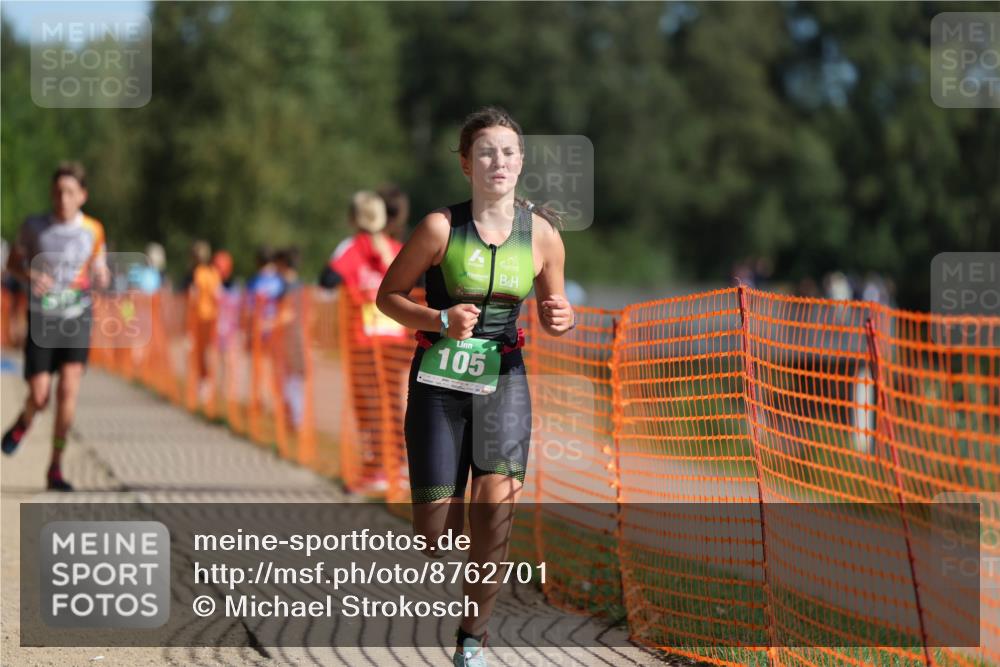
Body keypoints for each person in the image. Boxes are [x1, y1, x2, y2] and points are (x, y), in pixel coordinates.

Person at [376, 107, 575, 667]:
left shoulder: (543, 235)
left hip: (505, 380)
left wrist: (563, 318)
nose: (499, 161)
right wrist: (438, 321)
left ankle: (473, 636)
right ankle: (452, 524)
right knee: (434, 533)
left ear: (521, 162)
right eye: (486, 152)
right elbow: (387, 297)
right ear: (466, 164)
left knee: (496, 510)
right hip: (439, 381)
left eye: (509, 152)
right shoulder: (440, 228)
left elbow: (553, 311)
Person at [1, 162, 110, 491]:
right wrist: (31, 275)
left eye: (70, 192)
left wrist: (103, 276)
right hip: (43, 319)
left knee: (67, 392)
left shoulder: (93, 229)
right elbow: (12, 264)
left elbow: (100, 265)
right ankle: (25, 419)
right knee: (40, 394)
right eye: (58, 191)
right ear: (52, 194)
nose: (63, 198)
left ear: (83, 196)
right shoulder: (34, 227)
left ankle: (55, 466)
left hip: (77, 317)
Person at [187, 241, 221, 406]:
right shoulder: (213, 273)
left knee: (202, 353)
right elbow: (218, 295)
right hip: (211, 318)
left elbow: (194, 296)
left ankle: (205, 384)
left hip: (201, 319)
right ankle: (206, 384)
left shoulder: (198, 273)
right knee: (206, 353)